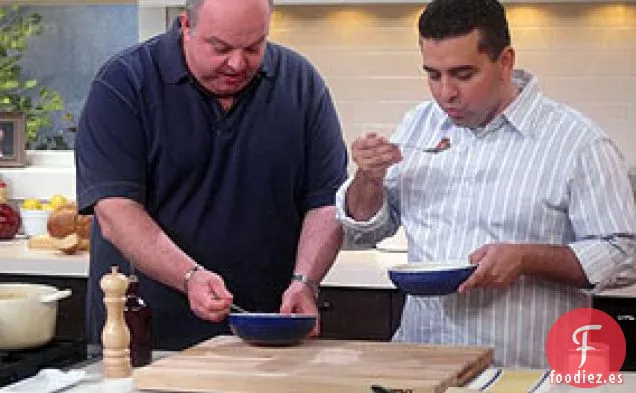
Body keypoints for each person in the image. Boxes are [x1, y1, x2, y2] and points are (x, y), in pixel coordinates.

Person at [336, 0, 636, 368]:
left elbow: (622, 252)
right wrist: (368, 178)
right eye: (433, 75)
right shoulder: (419, 124)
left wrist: (526, 258)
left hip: (527, 371)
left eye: (463, 75)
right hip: (421, 365)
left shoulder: (578, 143)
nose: (445, 93)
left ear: (505, 61)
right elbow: (367, 229)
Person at [76, 0, 347, 351]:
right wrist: (189, 277)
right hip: (146, 340)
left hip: (265, 338)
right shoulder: (125, 82)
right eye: (220, 48)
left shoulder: (300, 83)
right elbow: (115, 211)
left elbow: (327, 202)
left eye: (253, 47)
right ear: (186, 25)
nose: (237, 63)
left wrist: (305, 282)